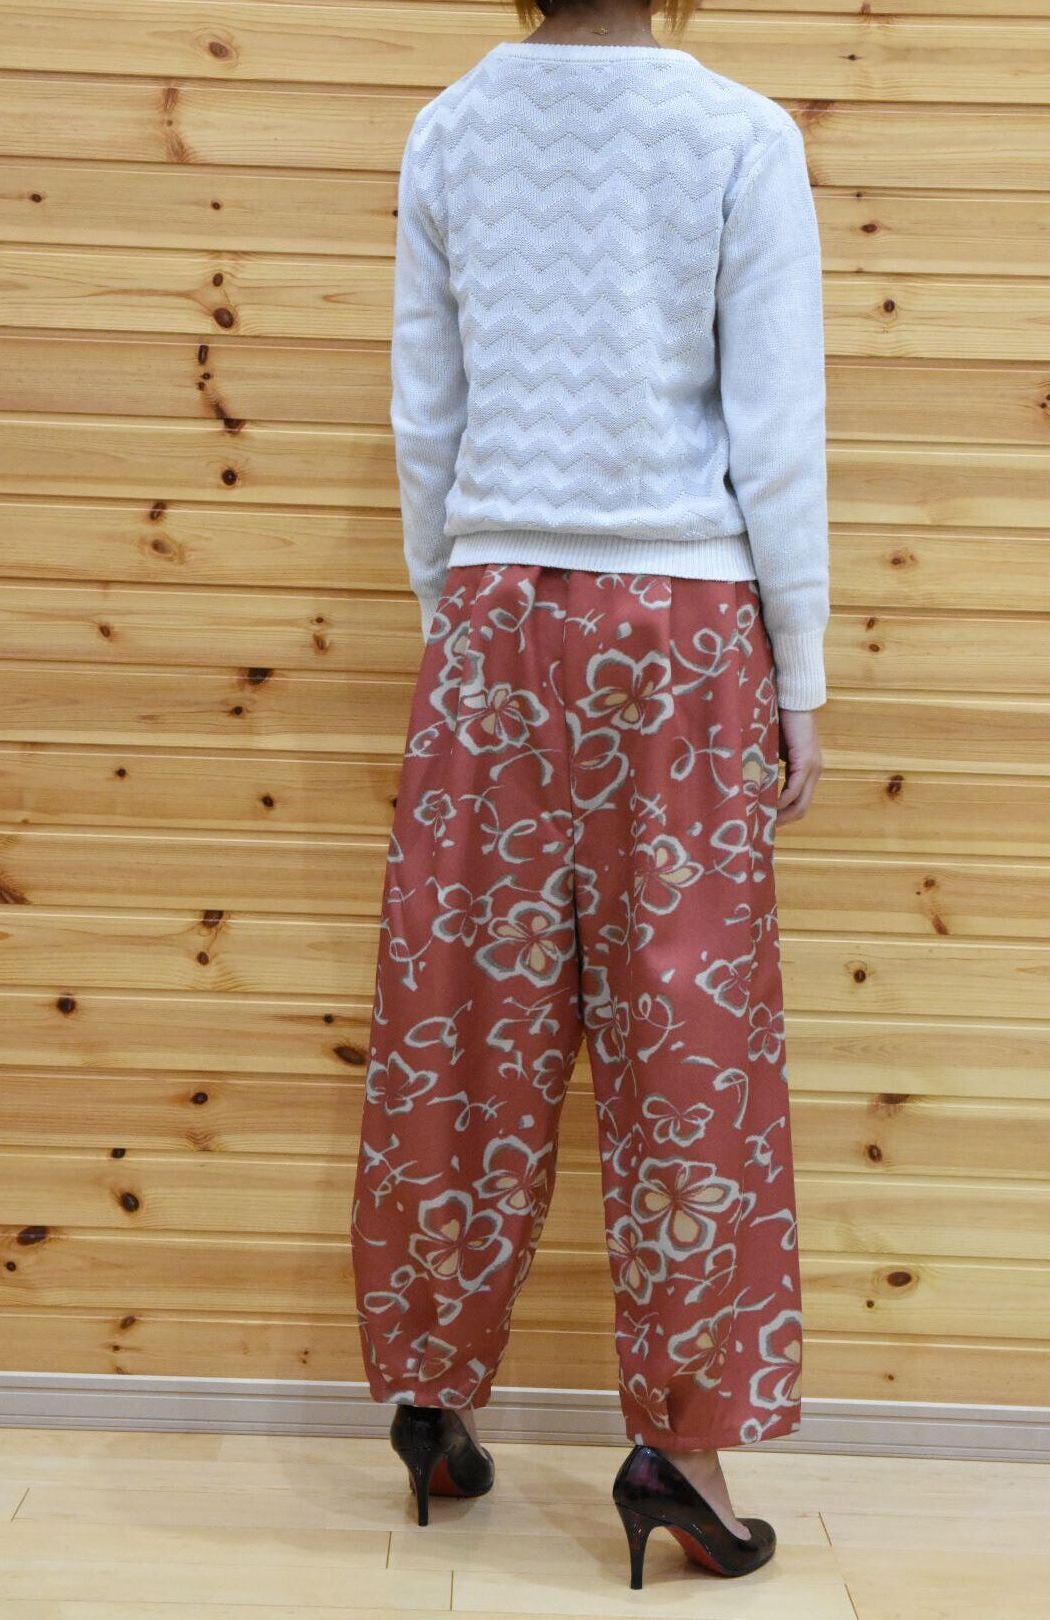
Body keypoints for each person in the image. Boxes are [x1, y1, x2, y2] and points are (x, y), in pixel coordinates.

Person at [350, 0, 827, 1586]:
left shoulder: (451, 131)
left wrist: (459, 618)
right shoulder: (737, 134)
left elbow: (427, 416)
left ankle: (433, 1399)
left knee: (462, 1014)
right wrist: (801, 671)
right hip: (683, 632)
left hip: (496, 613)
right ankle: (682, 1453)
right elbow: (775, 435)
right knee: (687, 1030)